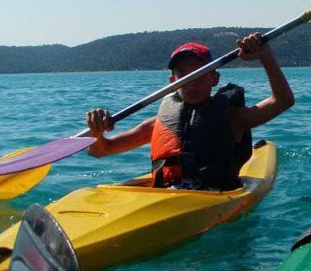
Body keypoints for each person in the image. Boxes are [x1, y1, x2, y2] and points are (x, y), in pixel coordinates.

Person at [85, 34, 294, 190]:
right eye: (183, 75)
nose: (191, 83)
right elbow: (101, 150)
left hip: (213, 198)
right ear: (172, 82)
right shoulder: (158, 123)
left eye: (199, 74)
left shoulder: (233, 119)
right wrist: (96, 133)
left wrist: (265, 56)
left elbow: (283, 101)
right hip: (164, 196)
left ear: (214, 79)